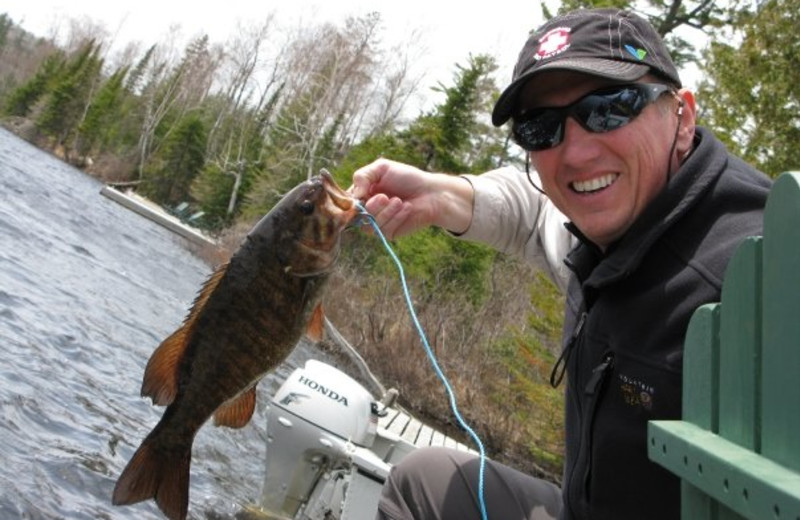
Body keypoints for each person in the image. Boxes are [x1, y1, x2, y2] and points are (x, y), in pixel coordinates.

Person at [349, 8, 773, 520]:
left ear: (682, 116)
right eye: (540, 126)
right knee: (426, 481)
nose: (574, 152)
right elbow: (533, 216)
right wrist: (440, 195)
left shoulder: (758, 273)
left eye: (610, 107)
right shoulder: (615, 222)